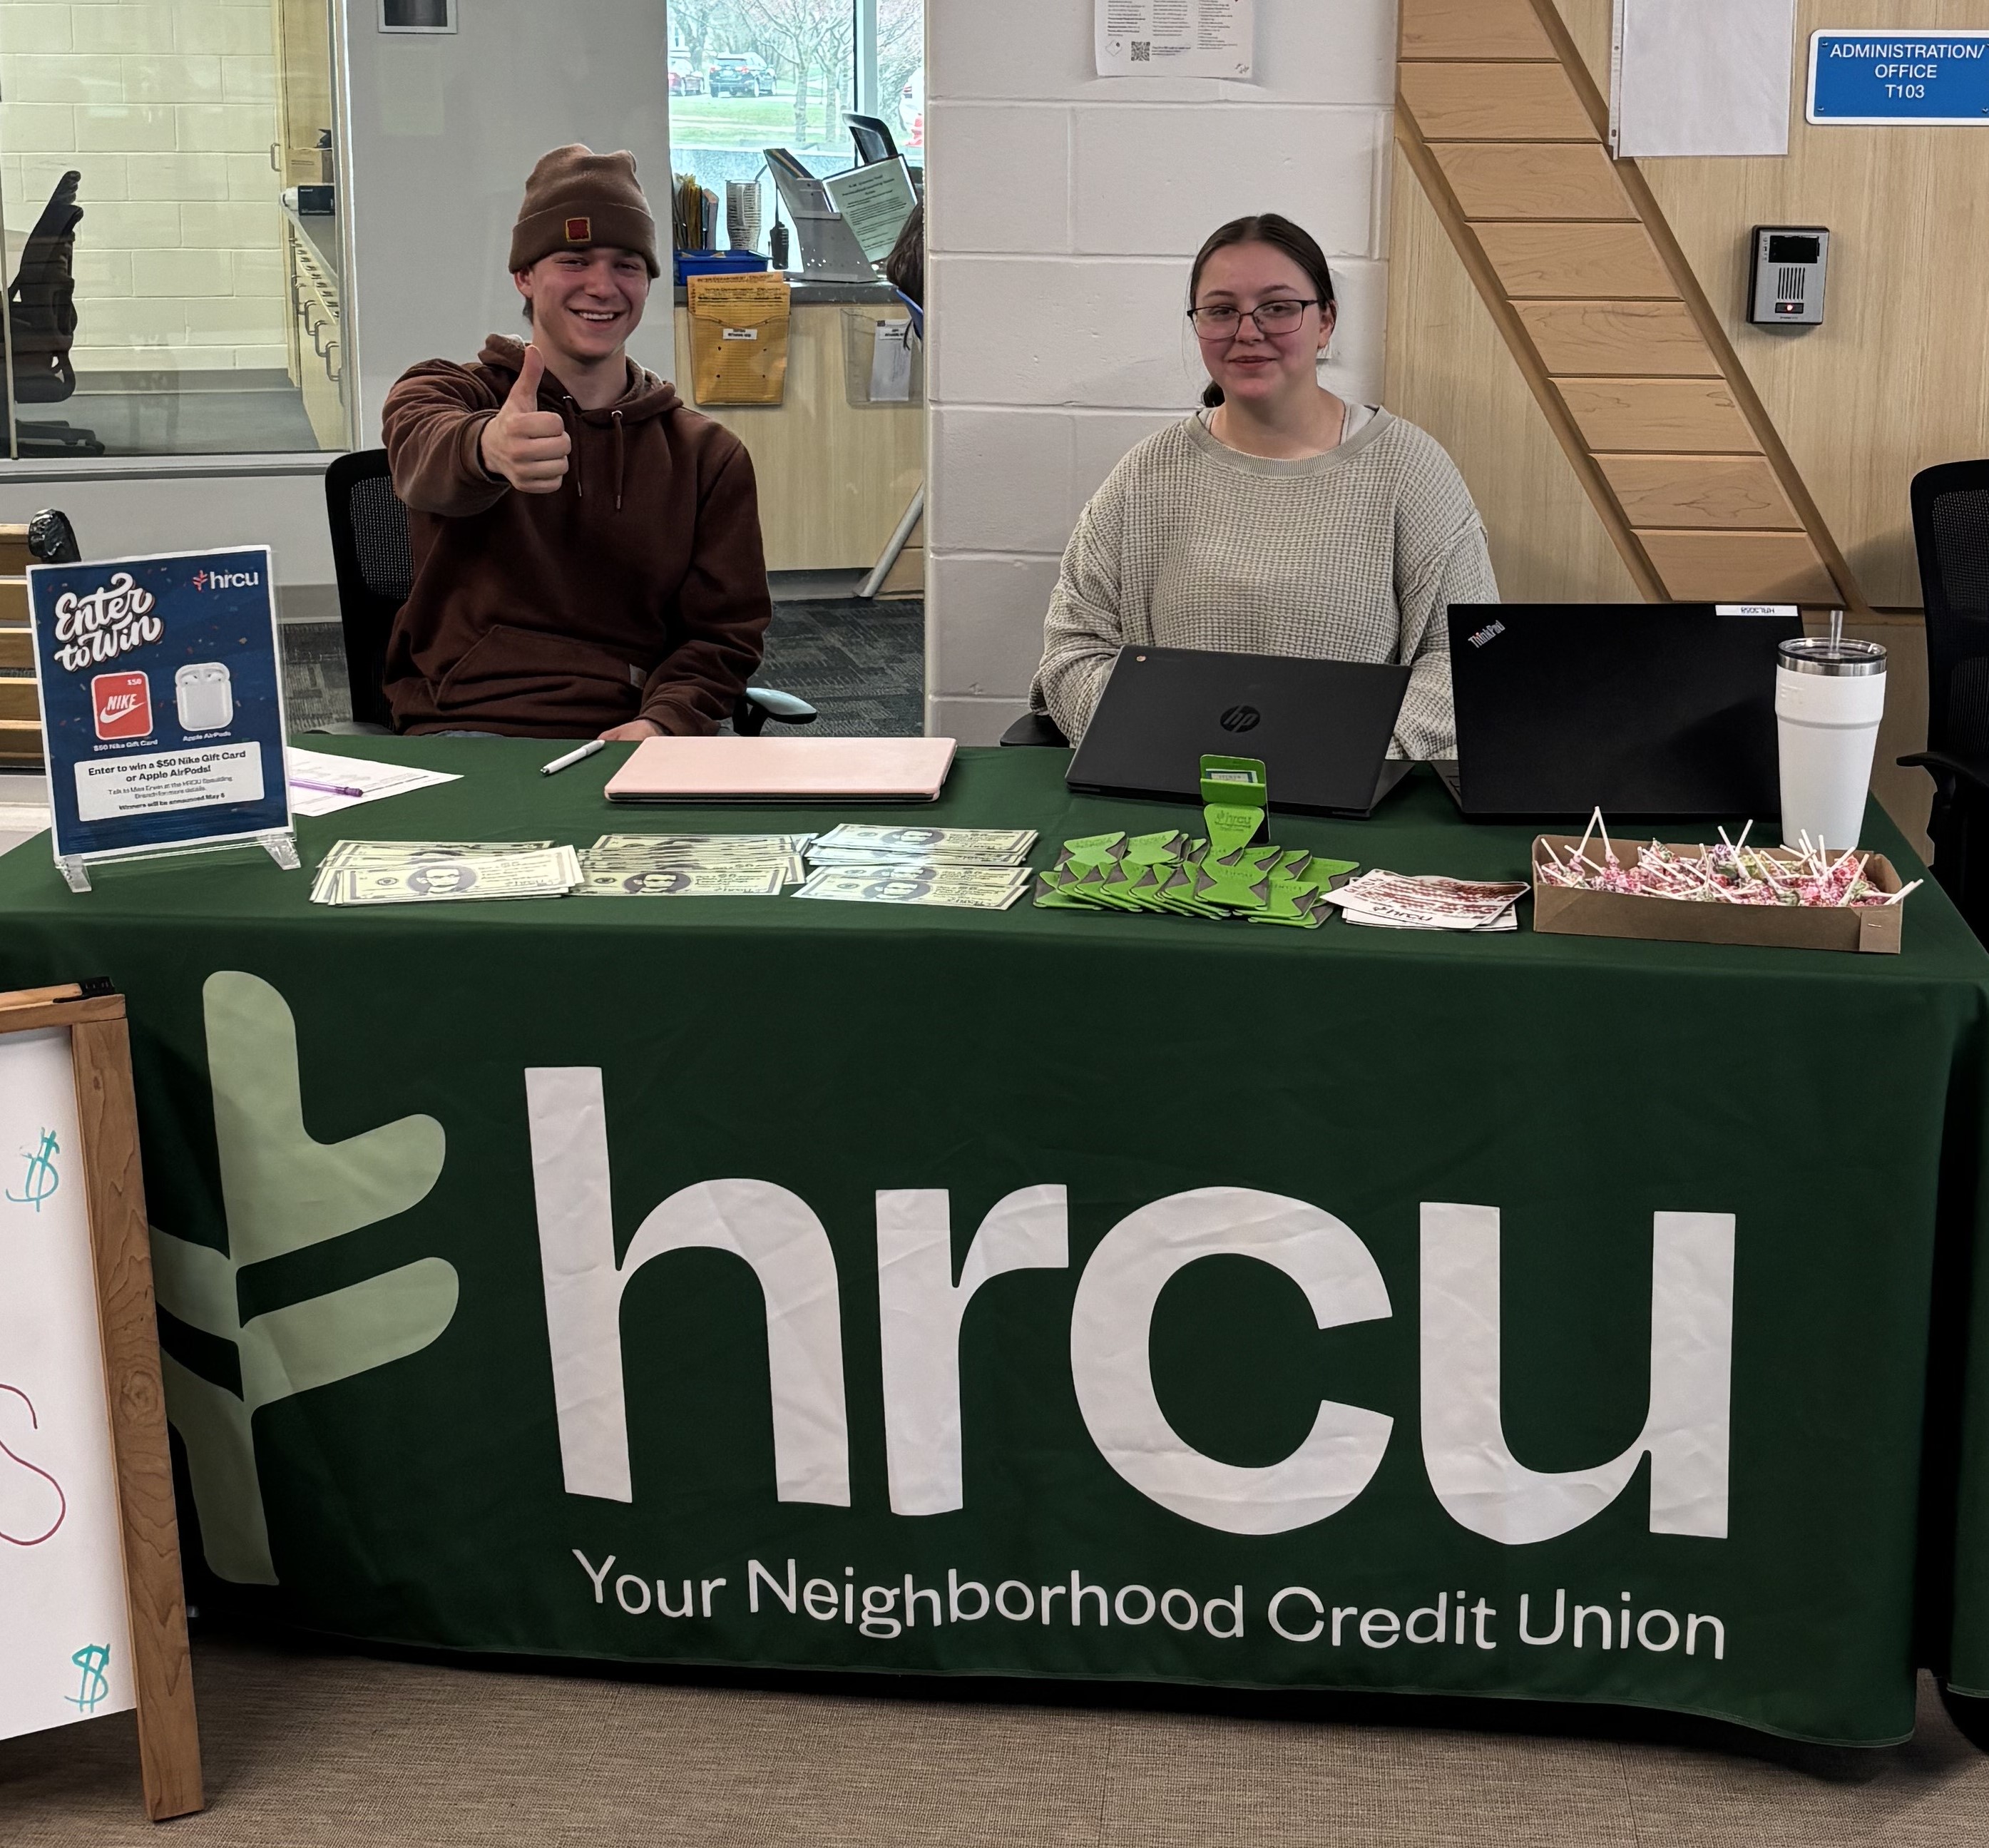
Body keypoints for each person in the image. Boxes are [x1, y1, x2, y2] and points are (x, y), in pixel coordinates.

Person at [1029, 213, 1496, 758]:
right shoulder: (1143, 477)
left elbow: (1469, 651)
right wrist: (1165, 736)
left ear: (1325, 321)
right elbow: (1073, 650)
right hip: (1173, 791)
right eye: (1221, 311)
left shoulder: (1410, 469)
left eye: (1277, 307)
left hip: (1352, 796)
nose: (1247, 331)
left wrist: (1345, 749)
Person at [379, 145, 772, 740]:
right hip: (469, 723)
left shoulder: (705, 455)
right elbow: (421, 453)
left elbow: (723, 635)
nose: (602, 286)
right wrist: (487, 448)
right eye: (575, 260)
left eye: (627, 265)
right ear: (524, 276)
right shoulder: (445, 392)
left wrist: (665, 721)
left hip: (632, 731)